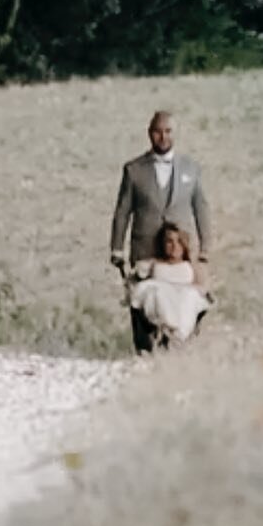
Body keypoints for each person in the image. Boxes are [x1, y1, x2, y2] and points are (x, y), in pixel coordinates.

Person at [110, 110, 213, 352]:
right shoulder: (134, 170)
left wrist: (205, 247)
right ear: (150, 134)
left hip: (180, 251)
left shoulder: (191, 168)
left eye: (168, 131)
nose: (163, 137)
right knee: (146, 300)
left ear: (174, 134)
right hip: (146, 249)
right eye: (158, 132)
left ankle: (181, 340)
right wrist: (117, 247)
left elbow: (202, 208)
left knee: (186, 298)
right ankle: (147, 347)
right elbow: (122, 211)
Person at [129, 222, 211, 349]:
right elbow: (137, 278)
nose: (174, 246)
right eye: (169, 241)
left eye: (178, 241)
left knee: (189, 296)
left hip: (183, 296)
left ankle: (180, 334)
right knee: (157, 293)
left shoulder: (191, 265)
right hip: (161, 296)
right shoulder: (154, 263)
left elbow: (203, 286)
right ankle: (168, 329)